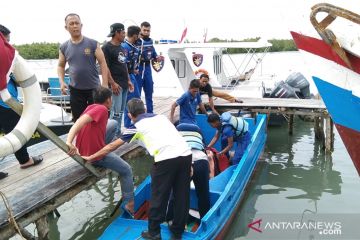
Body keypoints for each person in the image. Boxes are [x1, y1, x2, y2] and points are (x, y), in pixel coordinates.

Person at [83, 98, 192, 240]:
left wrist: (91, 157)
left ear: (129, 115)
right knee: (181, 195)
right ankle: (177, 233)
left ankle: (154, 233)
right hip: (186, 155)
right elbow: (174, 137)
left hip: (166, 159)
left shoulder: (137, 126)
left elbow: (111, 147)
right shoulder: (161, 118)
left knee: (159, 196)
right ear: (145, 110)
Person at [65, 86, 135, 212]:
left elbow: (78, 122)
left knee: (112, 123)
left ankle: (102, 147)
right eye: (111, 99)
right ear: (108, 100)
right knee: (126, 170)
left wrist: (70, 141)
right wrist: (68, 141)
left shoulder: (91, 107)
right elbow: (78, 124)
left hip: (83, 150)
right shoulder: (102, 109)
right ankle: (129, 204)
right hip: (94, 155)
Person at [0, 25, 43, 180]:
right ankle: (25, 160)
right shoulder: (6, 55)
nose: (9, 45)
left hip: (6, 100)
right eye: (7, 41)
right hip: (6, 103)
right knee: (18, 130)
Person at [57, 13, 109, 122]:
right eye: (71, 24)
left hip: (94, 89)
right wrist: (61, 82)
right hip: (76, 90)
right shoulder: (64, 47)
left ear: (81, 25)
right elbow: (61, 66)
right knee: (78, 121)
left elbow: (103, 63)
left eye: (77, 23)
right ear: (66, 28)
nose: (75, 26)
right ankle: (80, 139)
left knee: (96, 120)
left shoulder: (93, 44)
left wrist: (104, 84)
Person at [102, 23, 134, 137]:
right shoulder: (106, 47)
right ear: (117, 33)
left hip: (124, 84)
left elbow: (124, 65)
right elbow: (105, 67)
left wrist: (129, 80)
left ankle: (117, 133)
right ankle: (111, 135)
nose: (125, 35)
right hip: (115, 85)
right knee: (114, 112)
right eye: (123, 32)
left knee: (120, 111)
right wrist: (112, 83)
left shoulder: (122, 47)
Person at [136, 21, 158, 114]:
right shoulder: (136, 41)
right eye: (144, 30)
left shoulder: (150, 41)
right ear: (140, 29)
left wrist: (157, 57)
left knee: (149, 92)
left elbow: (154, 54)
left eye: (148, 31)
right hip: (139, 68)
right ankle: (137, 115)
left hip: (148, 67)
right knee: (137, 94)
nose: (146, 32)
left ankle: (150, 113)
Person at [121, 25, 141, 128]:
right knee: (130, 101)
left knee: (136, 99)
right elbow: (123, 64)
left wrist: (133, 70)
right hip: (128, 76)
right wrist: (129, 77)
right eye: (138, 35)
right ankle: (128, 125)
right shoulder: (125, 47)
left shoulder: (131, 46)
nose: (139, 38)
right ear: (135, 35)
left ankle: (133, 123)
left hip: (132, 74)